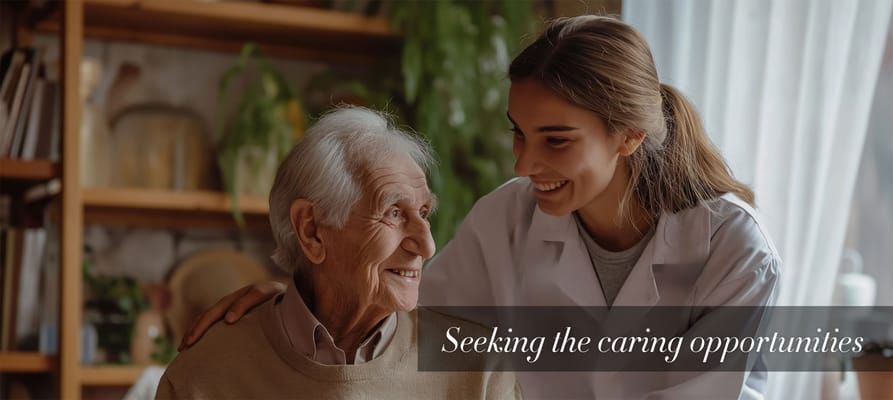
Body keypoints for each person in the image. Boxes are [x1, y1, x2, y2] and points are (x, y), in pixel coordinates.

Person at [179, 16, 780, 399]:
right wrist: (294, 295)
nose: (523, 164)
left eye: (556, 140)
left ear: (626, 136)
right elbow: (399, 315)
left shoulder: (731, 249)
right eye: (519, 133)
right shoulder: (507, 218)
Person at [156, 107, 520, 399]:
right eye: (394, 213)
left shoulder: (479, 370)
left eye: (424, 213)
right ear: (311, 230)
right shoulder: (206, 376)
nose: (427, 245)